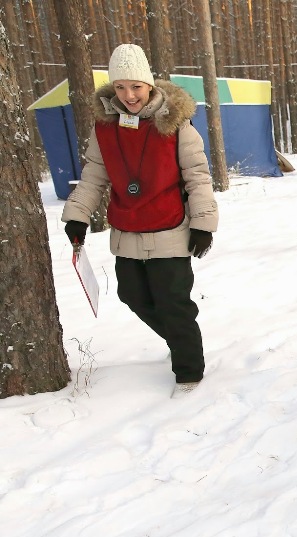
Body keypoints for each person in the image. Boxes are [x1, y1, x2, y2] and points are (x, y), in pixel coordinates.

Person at [61, 44, 218, 397]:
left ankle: (189, 372)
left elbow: (197, 176)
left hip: (171, 229)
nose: (129, 95)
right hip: (127, 230)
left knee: (173, 302)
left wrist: (204, 224)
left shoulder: (176, 125)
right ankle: (181, 340)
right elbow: (93, 177)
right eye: (120, 87)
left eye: (135, 86)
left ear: (148, 84)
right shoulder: (105, 129)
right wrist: (77, 216)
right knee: (132, 295)